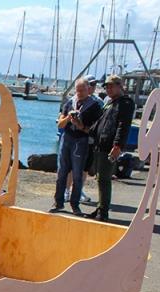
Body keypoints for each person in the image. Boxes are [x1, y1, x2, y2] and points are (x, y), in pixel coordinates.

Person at [85, 74, 135, 222]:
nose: (108, 89)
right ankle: (101, 208)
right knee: (100, 178)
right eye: (106, 86)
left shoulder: (124, 103)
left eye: (111, 86)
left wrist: (118, 145)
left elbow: (123, 125)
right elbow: (100, 123)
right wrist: (84, 128)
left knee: (104, 179)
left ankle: (103, 212)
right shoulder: (110, 103)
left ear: (120, 86)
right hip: (100, 144)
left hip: (109, 146)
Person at [50, 77, 102, 216]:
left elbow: (94, 130)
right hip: (66, 139)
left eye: (83, 90)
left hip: (81, 141)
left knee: (77, 174)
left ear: (88, 90)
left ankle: (75, 204)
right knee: (61, 172)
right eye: (78, 90)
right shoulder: (69, 103)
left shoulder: (95, 106)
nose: (80, 93)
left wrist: (80, 125)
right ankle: (58, 202)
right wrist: (68, 118)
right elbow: (60, 124)